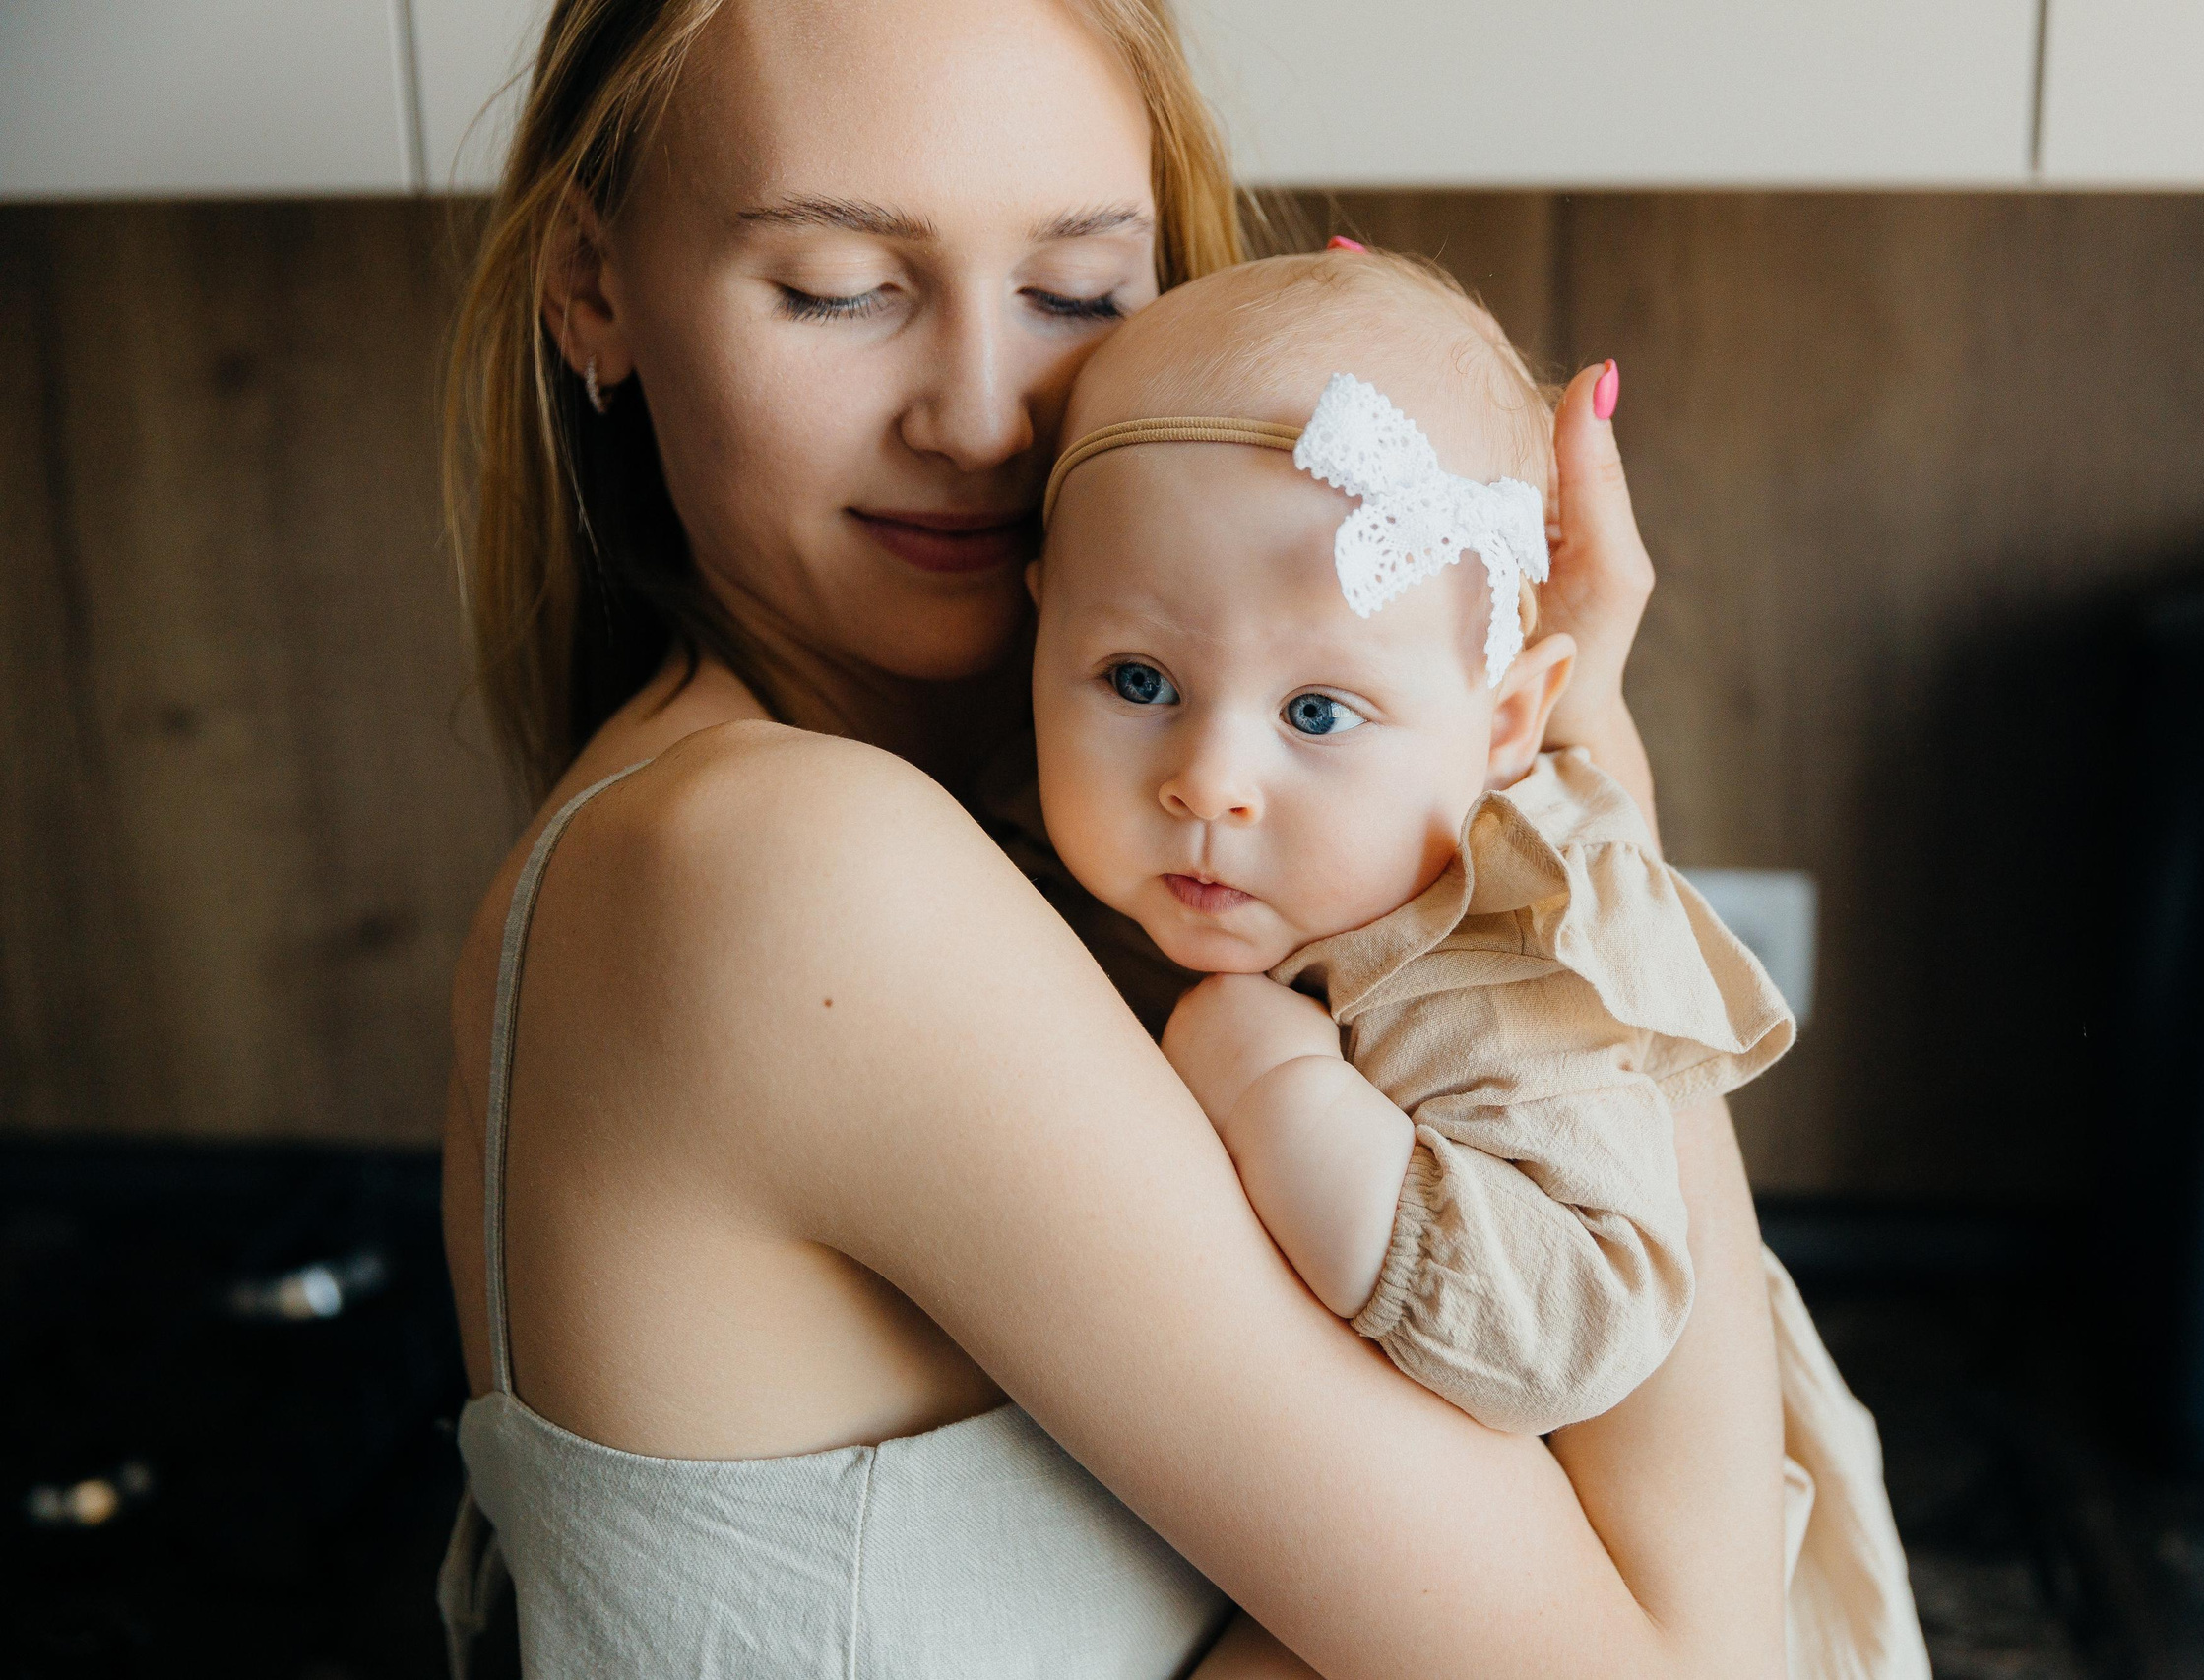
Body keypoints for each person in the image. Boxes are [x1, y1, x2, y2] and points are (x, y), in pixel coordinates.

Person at [436, 0, 1801, 1673]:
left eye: (1079, 291)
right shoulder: (784, 873)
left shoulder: (1092, 846)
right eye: (840, 289)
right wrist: (1583, 791)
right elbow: (1697, 1654)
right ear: (593, 286)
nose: (987, 415)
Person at [1027, 248, 1930, 1676]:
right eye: (1139, 682)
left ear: (1511, 722)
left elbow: (1576, 1324)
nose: (1208, 779)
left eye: (1318, 710)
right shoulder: (1143, 893)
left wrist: (1285, 1102)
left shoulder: (1504, 968)